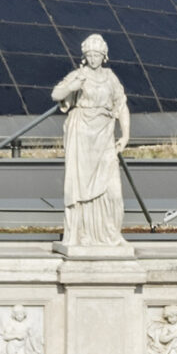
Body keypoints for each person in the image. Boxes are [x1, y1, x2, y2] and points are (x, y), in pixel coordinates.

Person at [50, 34, 131, 250]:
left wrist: (125, 135)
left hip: (104, 133)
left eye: (97, 55)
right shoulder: (79, 75)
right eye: (90, 55)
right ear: (85, 56)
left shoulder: (110, 77)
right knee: (80, 187)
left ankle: (112, 234)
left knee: (113, 191)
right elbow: (56, 94)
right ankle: (82, 234)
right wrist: (72, 87)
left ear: (104, 56)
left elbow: (121, 104)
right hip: (81, 133)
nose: (94, 59)